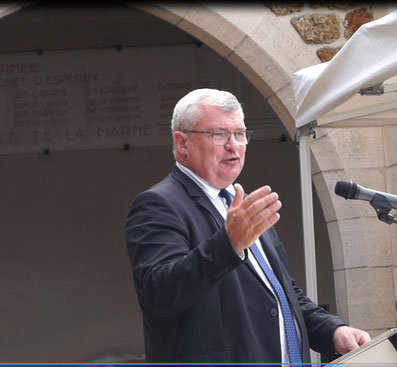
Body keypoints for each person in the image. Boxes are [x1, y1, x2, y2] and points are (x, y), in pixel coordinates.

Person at [125, 88, 370, 364]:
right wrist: (228, 243)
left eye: (240, 134)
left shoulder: (243, 205)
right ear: (182, 143)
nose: (234, 145)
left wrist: (331, 329)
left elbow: (280, 292)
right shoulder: (159, 204)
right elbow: (161, 293)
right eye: (218, 134)